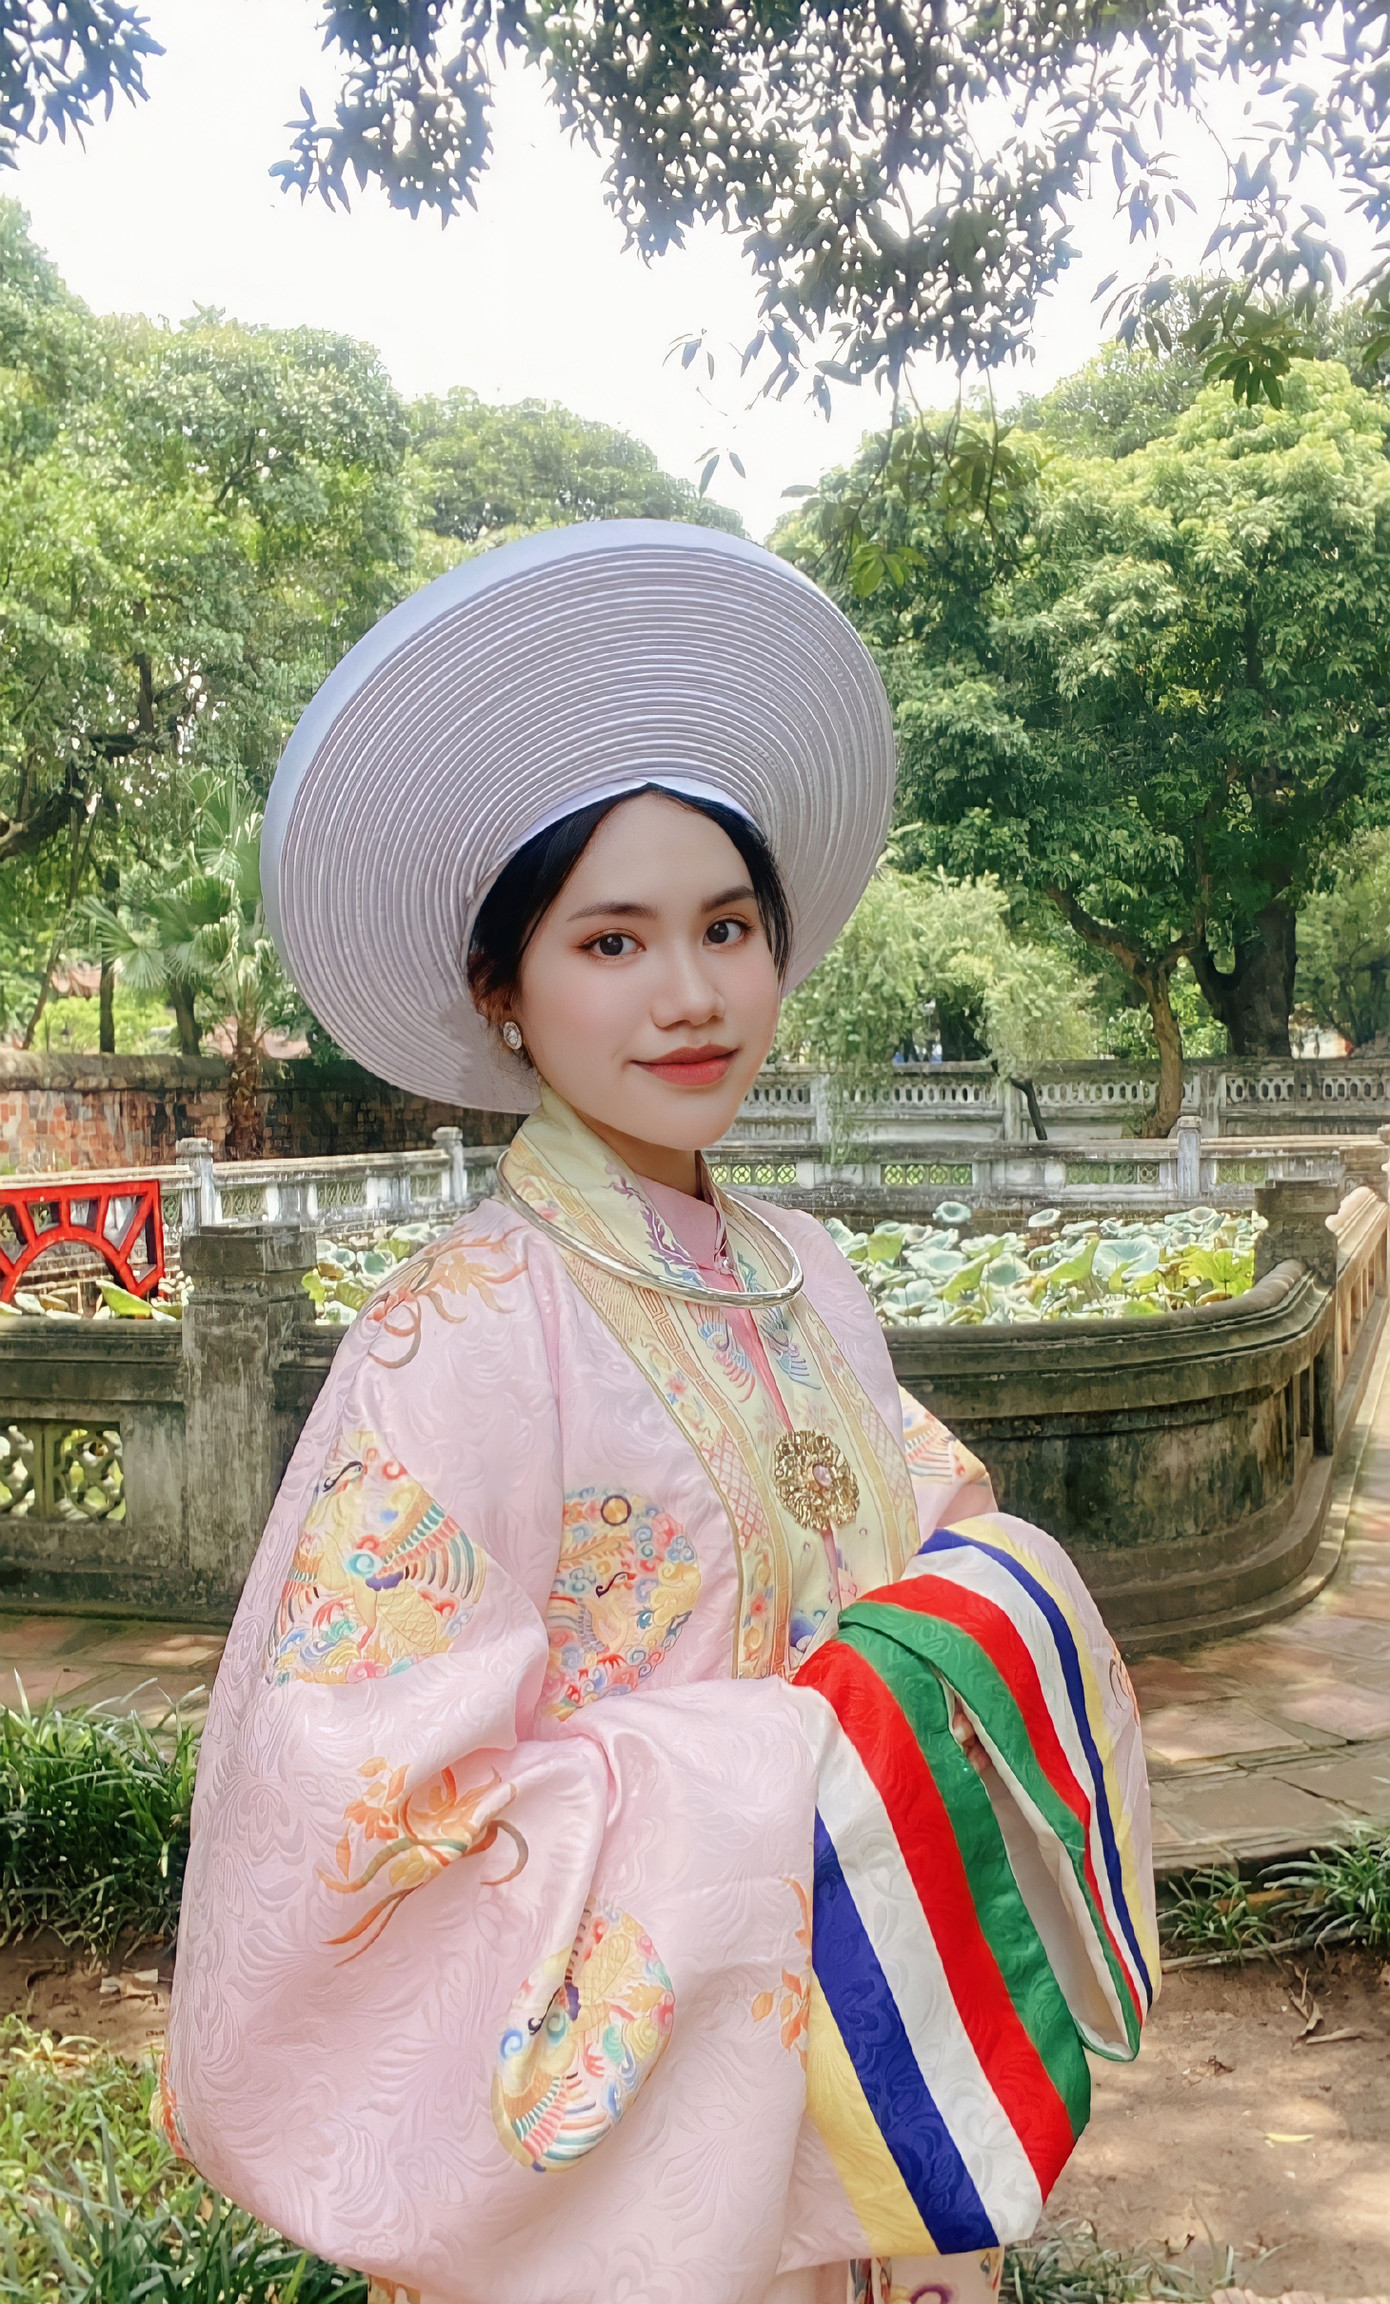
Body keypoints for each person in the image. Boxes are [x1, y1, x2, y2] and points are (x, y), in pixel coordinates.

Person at [162, 523, 1155, 2304]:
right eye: (610, 939)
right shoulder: (460, 1327)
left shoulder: (804, 1270)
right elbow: (367, 1811)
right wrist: (776, 1767)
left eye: (725, 928)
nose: (689, 994)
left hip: (860, 2058)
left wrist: (966, 1624)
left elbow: (921, 1541)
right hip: (632, 2148)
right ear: (503, 994)